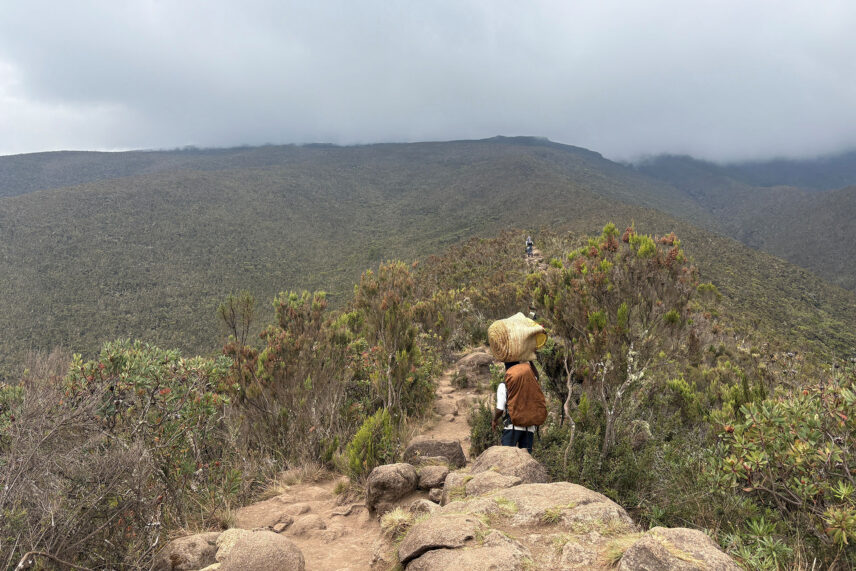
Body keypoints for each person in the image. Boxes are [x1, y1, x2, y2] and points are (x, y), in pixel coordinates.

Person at [491, 361, 541, 453]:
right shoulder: (530, 382)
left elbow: (500, 409)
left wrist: (494, 420)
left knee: (506, 457)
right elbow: (536, 377)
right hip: (529, 427)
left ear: (507, 370)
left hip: (512, 427)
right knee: (526, 460)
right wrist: (531, 361)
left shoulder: (504, 385)